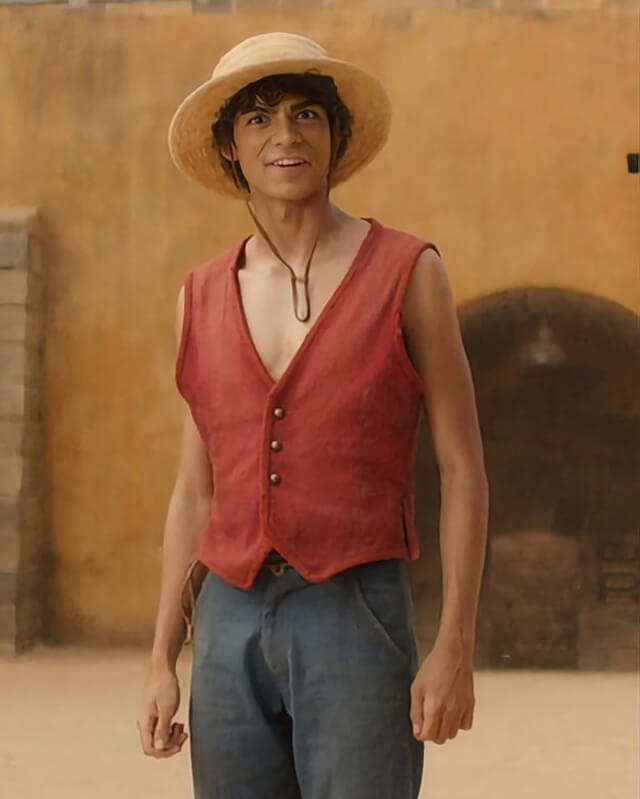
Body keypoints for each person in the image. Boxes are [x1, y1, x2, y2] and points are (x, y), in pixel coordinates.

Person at [137, 32, 489, 799]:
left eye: (306, 114)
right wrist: (163, 655)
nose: (286, 135)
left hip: (354, 610)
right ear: (229, 148)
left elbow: (463, 466)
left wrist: (455, 645)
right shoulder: (199, 295)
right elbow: (195, 490)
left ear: (337, 136)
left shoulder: (409, 272)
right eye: (259, 118)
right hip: (227, 623)